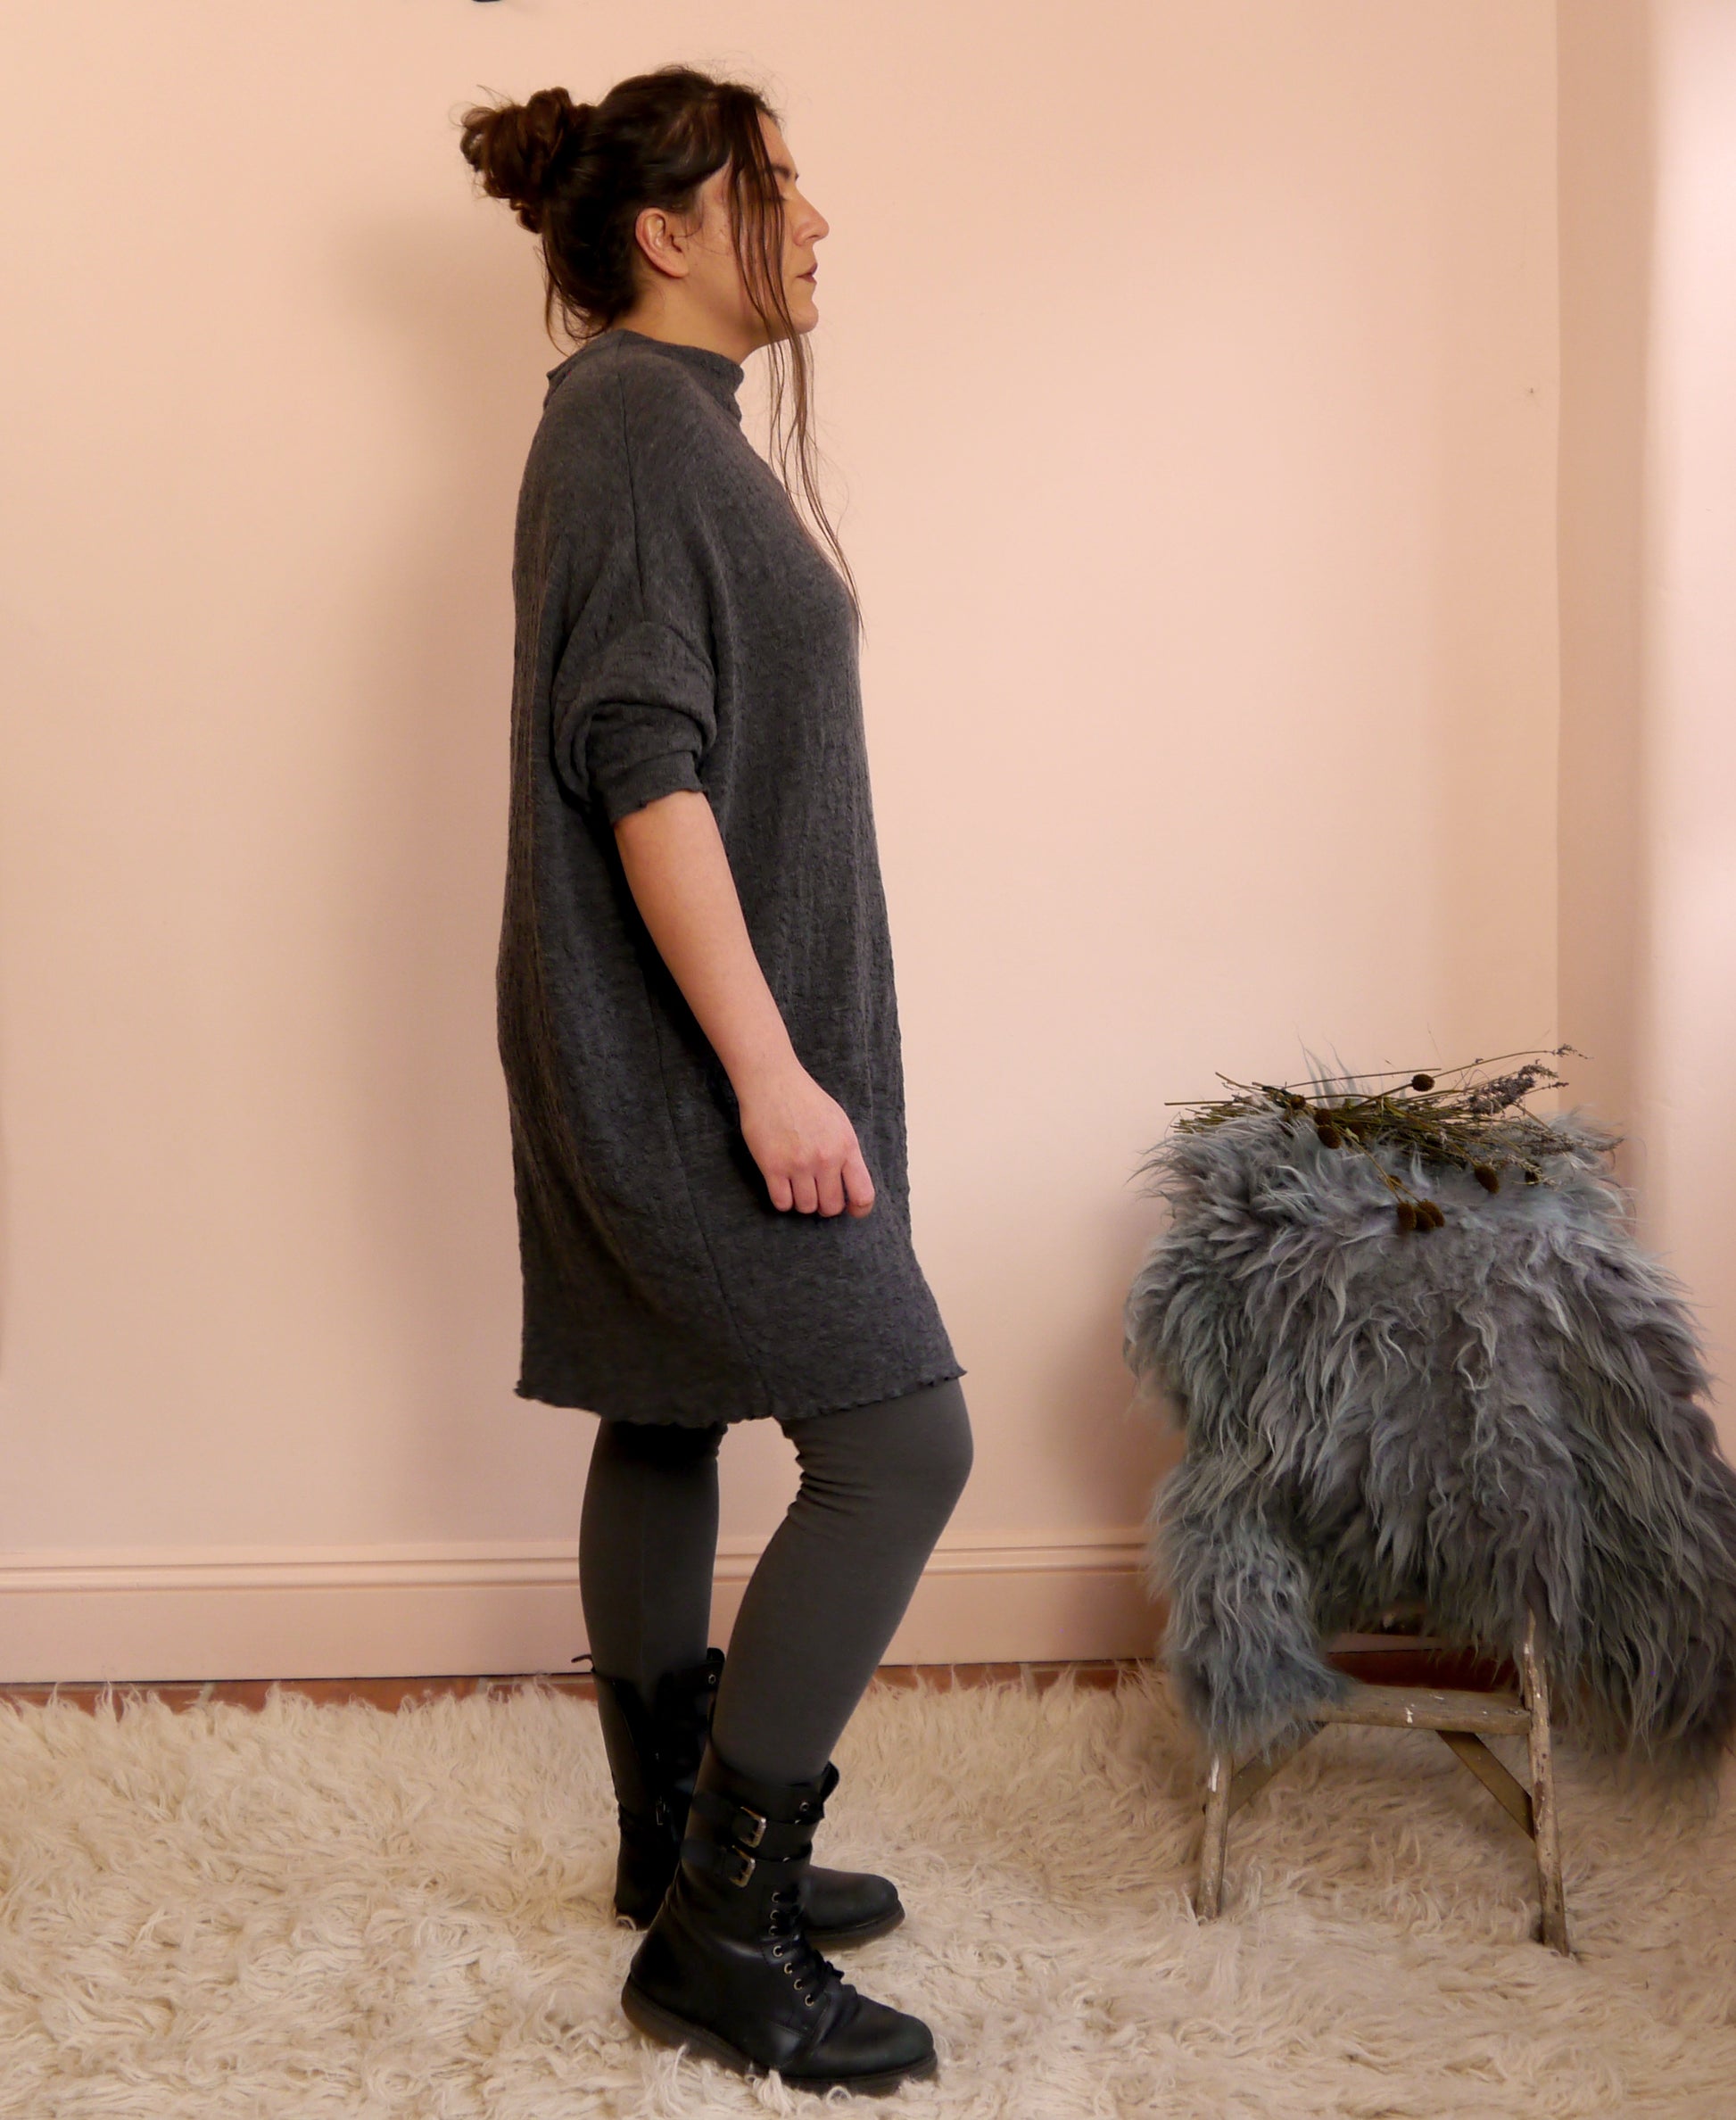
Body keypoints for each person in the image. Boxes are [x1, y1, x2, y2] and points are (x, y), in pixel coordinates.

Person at [459, 65, 973, 2096]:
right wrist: (767, 1073)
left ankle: (669, 1846)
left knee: (665, 1412)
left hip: (675, 1037)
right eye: (777, 189)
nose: (819, 222)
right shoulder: (628, 434)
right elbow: (639, 762)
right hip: (682, 1054)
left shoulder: (656, 430)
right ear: (668, 231)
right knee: (902, 1444)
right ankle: (720, 1934)